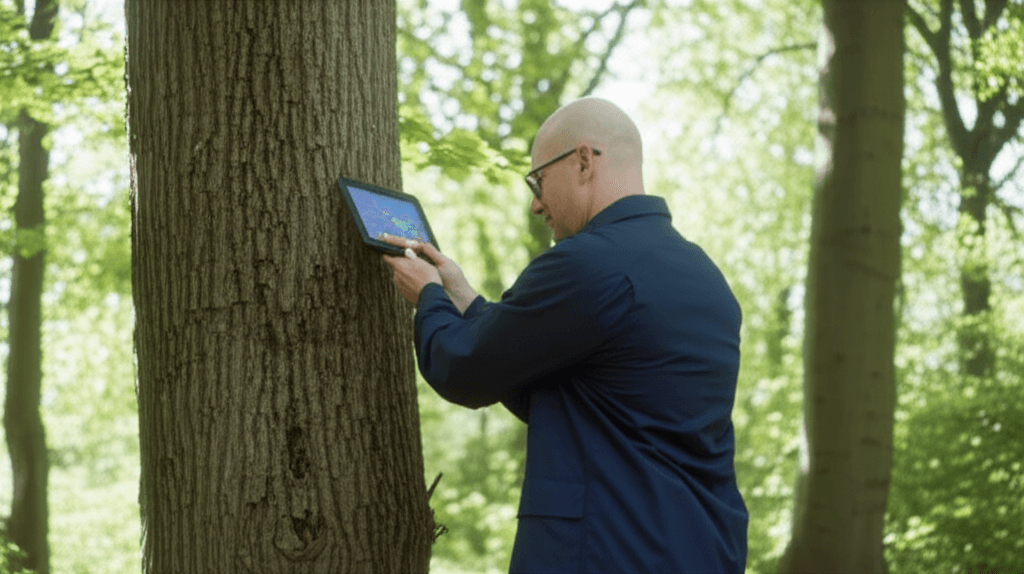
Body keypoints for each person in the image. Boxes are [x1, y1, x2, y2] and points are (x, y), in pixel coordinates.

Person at [382, 97, 747, 573]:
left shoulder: (588, 263)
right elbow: (566, 393)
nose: (535, 203)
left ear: (582, 162)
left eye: (538, 180)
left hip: (609, 554)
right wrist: (464, 299)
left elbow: (464, 369)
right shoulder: (705, 277)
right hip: (701, 549)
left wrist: (428, 297)